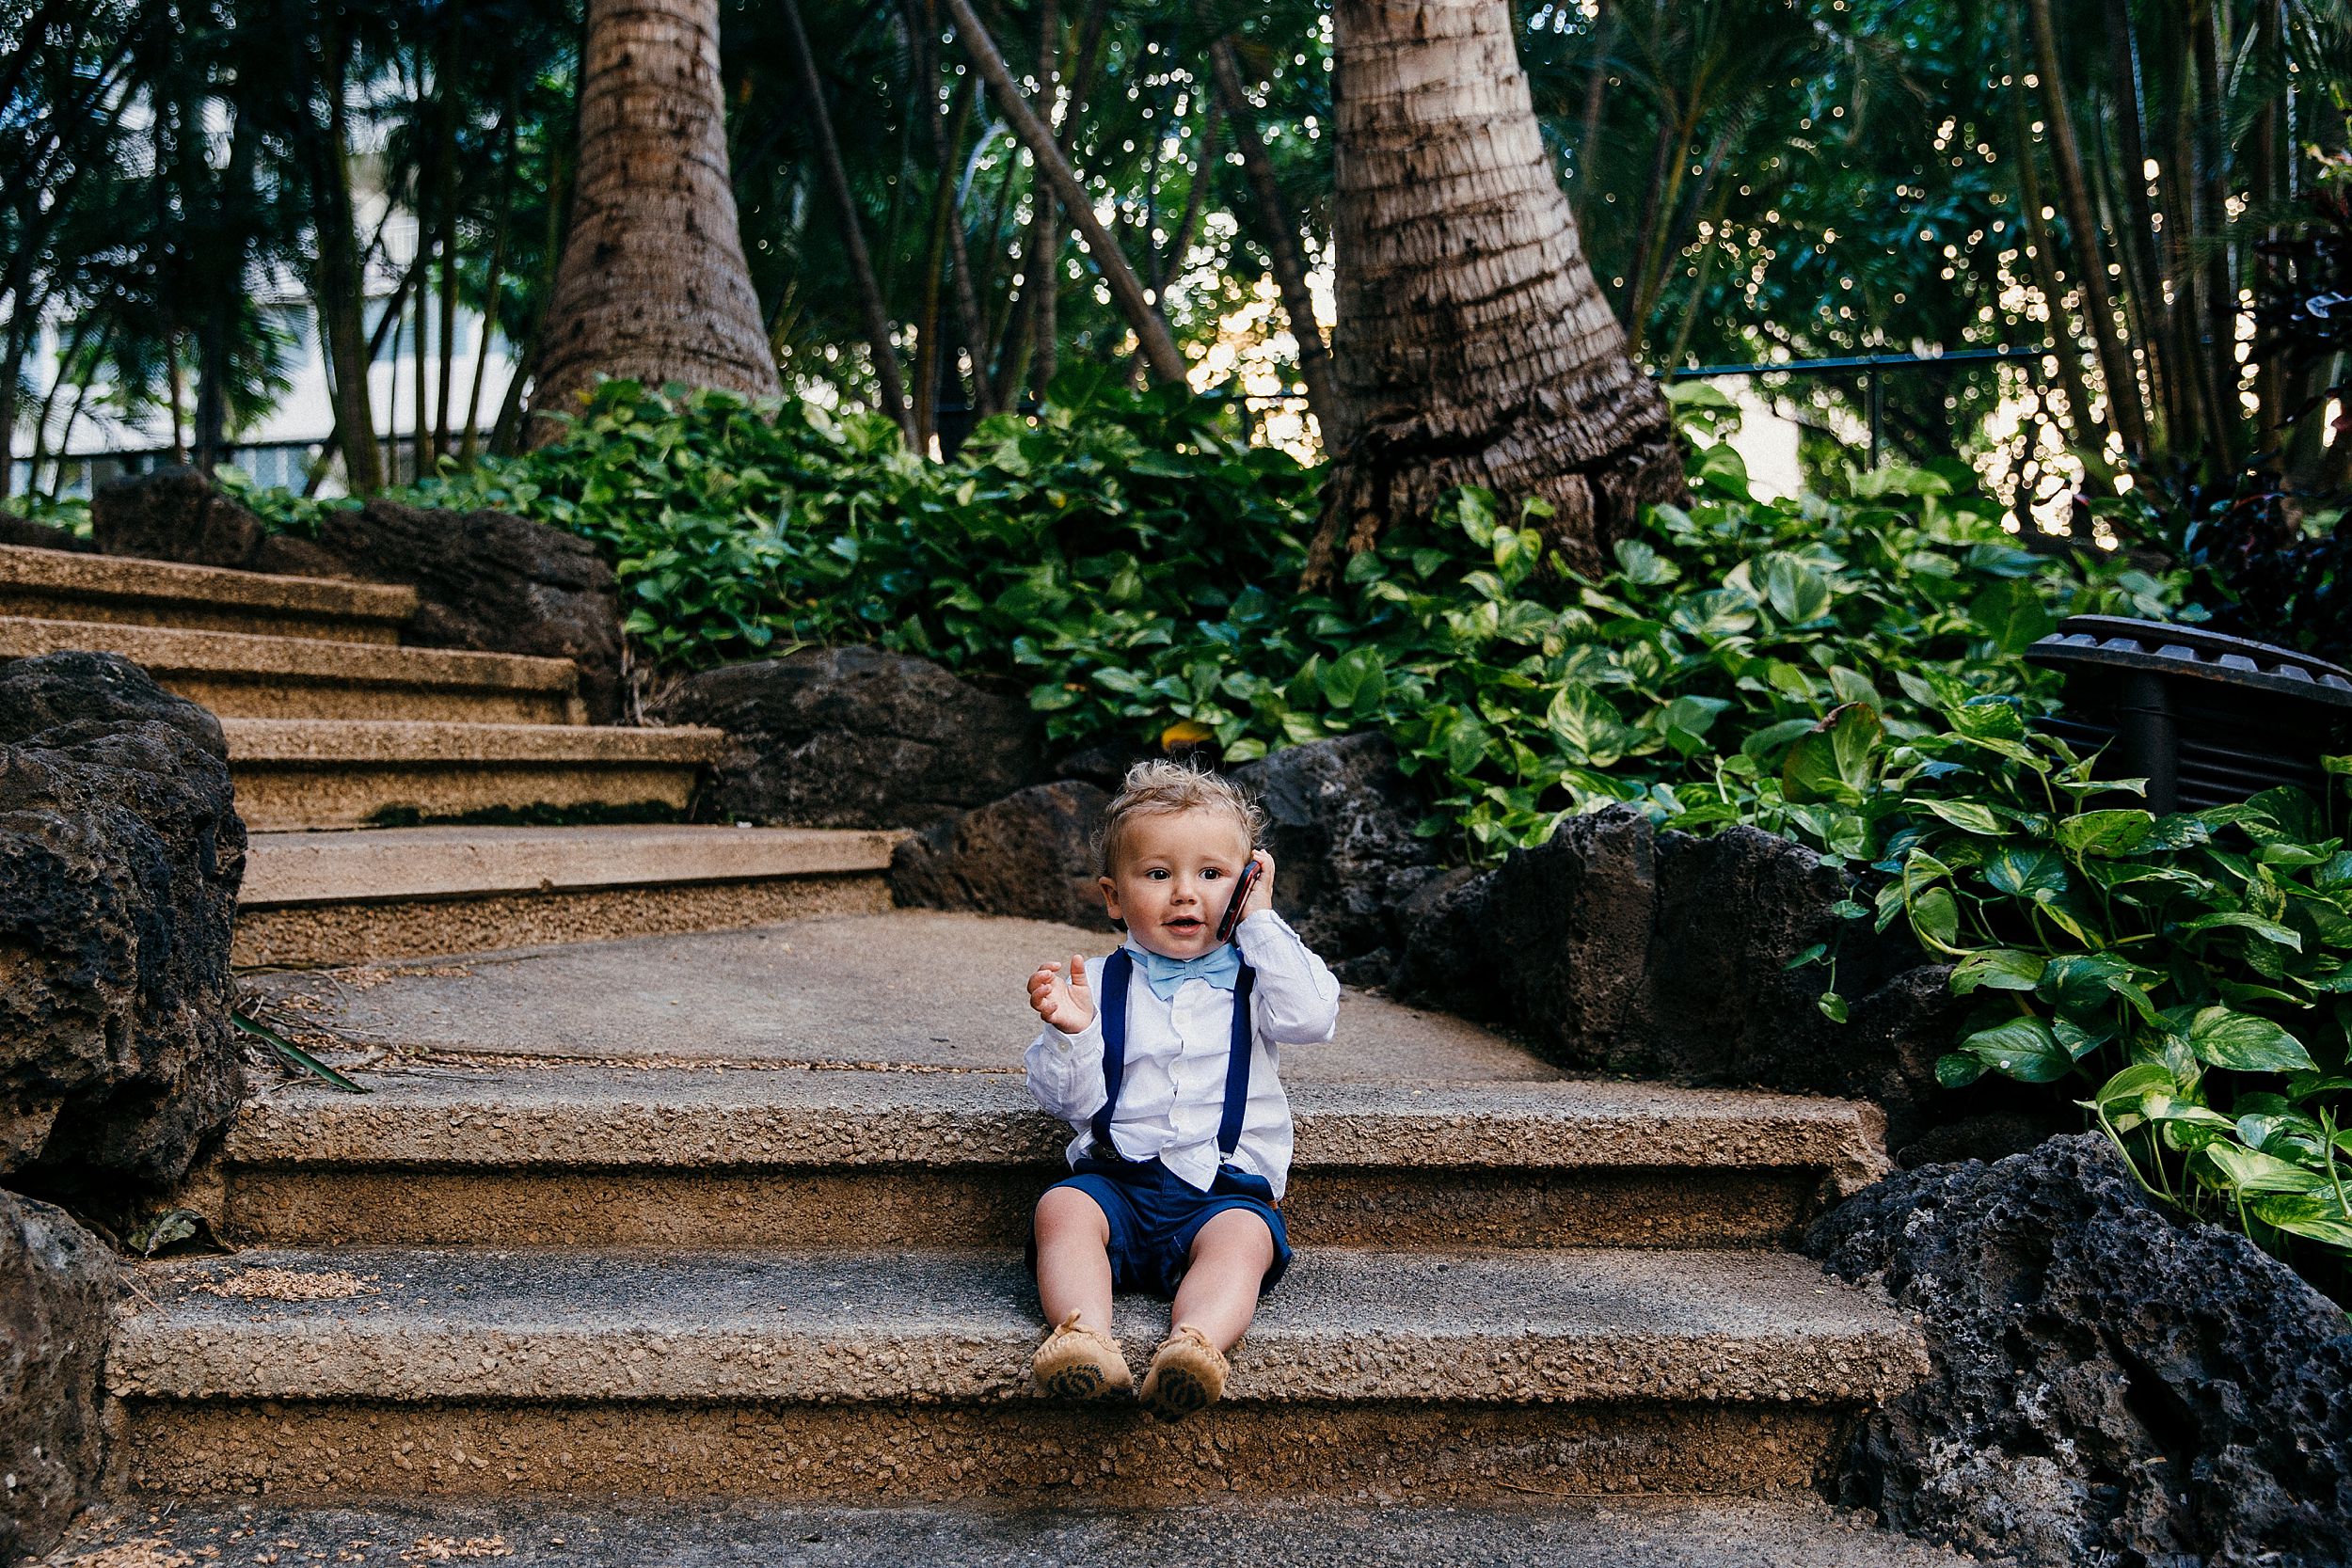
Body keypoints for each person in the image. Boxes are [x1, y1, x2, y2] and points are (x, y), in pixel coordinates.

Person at [1023, 759, 1340, 1421]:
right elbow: (1065, 1101)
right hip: (1119, 1182)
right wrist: (1072, 1034)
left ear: (1247, 880)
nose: (1185, 894)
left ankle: (1194, 1347)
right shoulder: (1100, 984)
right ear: (1114, 896)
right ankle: (1084, 1335)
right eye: (1158, 873)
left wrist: (1260, 919)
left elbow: (1313, 1017)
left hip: (1219, 1188)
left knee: (1246, 1238)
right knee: (1061, 1209)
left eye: (1213, 873)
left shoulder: (1262, 976)